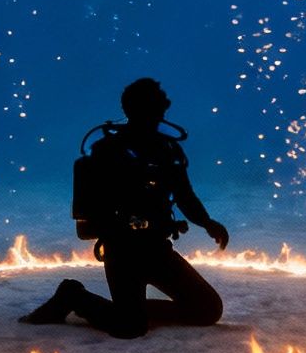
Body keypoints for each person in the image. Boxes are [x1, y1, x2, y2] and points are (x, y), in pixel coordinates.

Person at [20, 78, 229, 338]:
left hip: (158, 248)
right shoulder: (107, 151)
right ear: (134, 110)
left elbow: (185, 196)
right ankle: (74, 296)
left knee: (207, 309)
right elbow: (94, 206)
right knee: (130, 327)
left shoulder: (168, 151)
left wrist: (208, 223)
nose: (159, 114)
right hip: (123, 251)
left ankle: (130, 309)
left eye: (159, 108)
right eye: (152, 108)